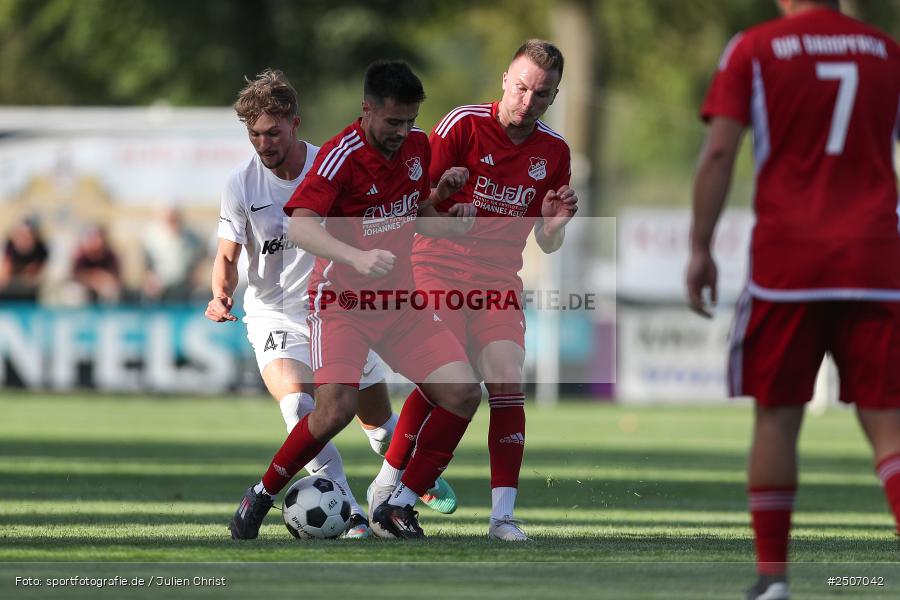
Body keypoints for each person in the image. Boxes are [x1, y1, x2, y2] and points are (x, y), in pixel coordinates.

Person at [686, 2, 900, 598]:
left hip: (788, 263)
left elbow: (721, 152)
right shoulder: (887, 51)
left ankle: (774, 579)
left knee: (777, 419)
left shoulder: (753, 49)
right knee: (890, 427)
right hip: (877, 261)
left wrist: (700, 247)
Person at [229, 59, 483, 540]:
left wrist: (449, 212)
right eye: (393, 122)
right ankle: (261, 494)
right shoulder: (339, 156)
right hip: (341, 303)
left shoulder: (417, 147)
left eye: (409, 120)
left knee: (464, 391)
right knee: (332, 411)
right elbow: (301, 225)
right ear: (367, 109)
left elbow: (415, 216)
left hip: (400, 305)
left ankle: (397, 506)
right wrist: (356, 258)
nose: (402, 131)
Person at [366, 39, 578, 541]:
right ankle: (391, 486)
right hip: (438, 264)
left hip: (499, 280)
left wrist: (554, 225)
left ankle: (501, 518)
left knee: (506, 382)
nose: (528, 102)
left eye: (542, 94)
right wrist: (443, 201)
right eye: (523, 87)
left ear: (553, 96)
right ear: (506, 78)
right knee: (453, 378)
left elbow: (548, 244)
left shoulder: (554, 152)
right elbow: (417, 204)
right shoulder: (461, 124)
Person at [143, 207, 204, 302]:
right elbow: (147, 262)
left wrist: (195, 273)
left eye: (174, 219)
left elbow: (200, 256)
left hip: (185, 285)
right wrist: (151, 279)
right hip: (160, 285)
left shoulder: (191, 237)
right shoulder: (151, 237)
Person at [0, 217, 49, 302]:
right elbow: (5, 270)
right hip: (12, 283)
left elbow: (34, 274)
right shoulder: (9, 247)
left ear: (33, 237)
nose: (23, 239)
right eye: (20, 236)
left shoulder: (41, 249)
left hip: (31, 290)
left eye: (26, 236)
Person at [71, 225, 123, 304]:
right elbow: (75, 275)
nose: (94, 241)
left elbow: (117, 276)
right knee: (75, 292)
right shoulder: (81, 255)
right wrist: (92, 279)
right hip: (84, 286)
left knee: (109, 290)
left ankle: (108, 314)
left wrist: (104, 279)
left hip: (104, 286)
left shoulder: (110, 255)